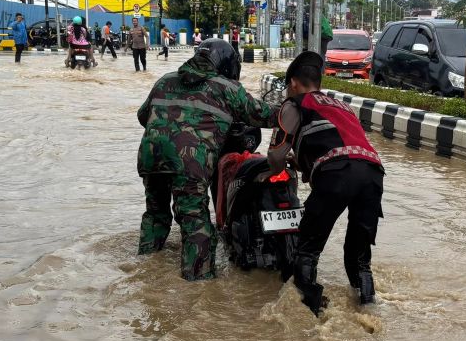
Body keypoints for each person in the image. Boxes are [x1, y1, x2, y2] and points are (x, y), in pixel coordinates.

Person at [137, 38, 276, 281]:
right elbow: (262, 114)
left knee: (155, 214)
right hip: (190, 161)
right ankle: (198, 285)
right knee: (195, 223)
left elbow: (143, 115)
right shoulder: (226, 88)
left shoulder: (165, 80)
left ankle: (144, 271)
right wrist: (298, 107)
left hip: (151, 157)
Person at [268, 51, 385, 313]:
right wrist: (308, 164)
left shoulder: (294, 103)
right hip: (373, 173)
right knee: (359, 257)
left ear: (294, 83)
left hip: (337, 174)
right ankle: (368, 308)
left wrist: (275, 169)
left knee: (307, 250)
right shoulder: (342, 105)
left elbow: (275, 155)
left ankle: (311, 312)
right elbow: (343, 146)